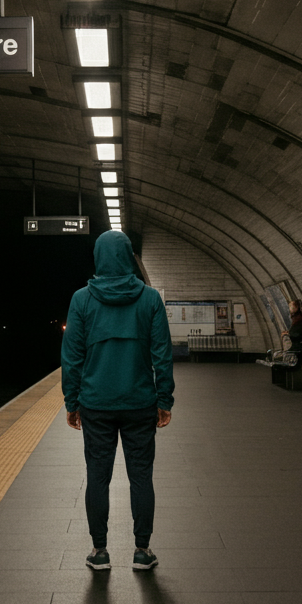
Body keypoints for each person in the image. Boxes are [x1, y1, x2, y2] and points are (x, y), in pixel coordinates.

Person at [61, 230, 174, 571]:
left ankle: (100, 552)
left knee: (97, 475)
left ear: (98, 257)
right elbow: (162, 354)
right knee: (141, 476)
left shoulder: (82, 300)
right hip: (140, 402)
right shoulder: (150, 299)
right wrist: (164, 399)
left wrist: (72, 401)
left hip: (95, 403)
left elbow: (72, 357)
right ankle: (142, 550)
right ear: (129, 257)